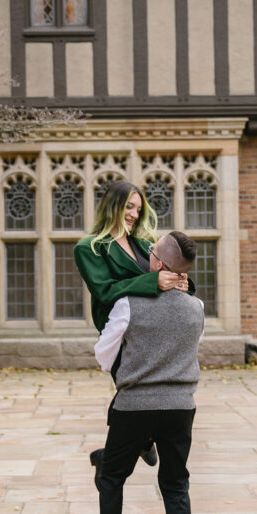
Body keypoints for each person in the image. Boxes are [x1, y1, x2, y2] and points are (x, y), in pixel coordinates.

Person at [91, 230, 204, 514]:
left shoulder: (128, 304)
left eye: (151, 251)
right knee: (175, 485)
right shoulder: (196, 308)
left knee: (111, 479)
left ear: (157, 263)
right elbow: (187, 350)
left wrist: (133, 370)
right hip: (179, 407)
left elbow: (103, 355)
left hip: (134, 406)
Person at [74, 180, 194, 468]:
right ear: (111, 206)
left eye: (138, 209)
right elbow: (105, 291)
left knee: (145, 404)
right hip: (121, 335)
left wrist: (182, 283)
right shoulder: (89, 248)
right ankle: (135, 447)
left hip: (153, 334)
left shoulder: (144, 245)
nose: (133, 214)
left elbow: (166, 272)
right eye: (128, 206)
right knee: (131, 399)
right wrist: (152, 281)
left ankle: (119, 454)